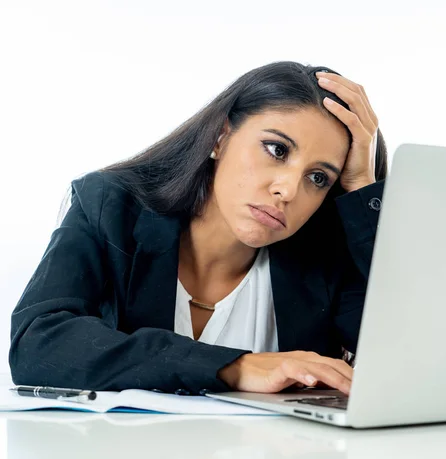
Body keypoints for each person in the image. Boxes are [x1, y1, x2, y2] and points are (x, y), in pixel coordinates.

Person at [9, 61, 388, 396]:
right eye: (277, 150)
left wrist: (364, 189)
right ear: (220, 137)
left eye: (319, 178)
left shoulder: (324, 258)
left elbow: (418, 359)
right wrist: (236, 367)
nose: (288, 190)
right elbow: (37, 345)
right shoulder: (112, 206)